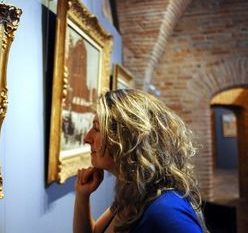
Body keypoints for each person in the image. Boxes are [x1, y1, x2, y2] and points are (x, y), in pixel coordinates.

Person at [73, 89, 208, 233]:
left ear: (127, 137)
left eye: (97, 128)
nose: (86, 138)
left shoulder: (166, 211)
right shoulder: (133, 193)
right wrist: (83, 195)